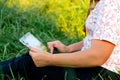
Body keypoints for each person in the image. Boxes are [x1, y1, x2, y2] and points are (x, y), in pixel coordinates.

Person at [0, 0, 120, 80]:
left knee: (30, 63)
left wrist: (49, 60)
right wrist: (68, 49)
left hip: (99, 73)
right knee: (32, 60)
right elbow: (98, 39)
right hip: (100, 69)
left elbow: (97, 56)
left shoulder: (108, 4)